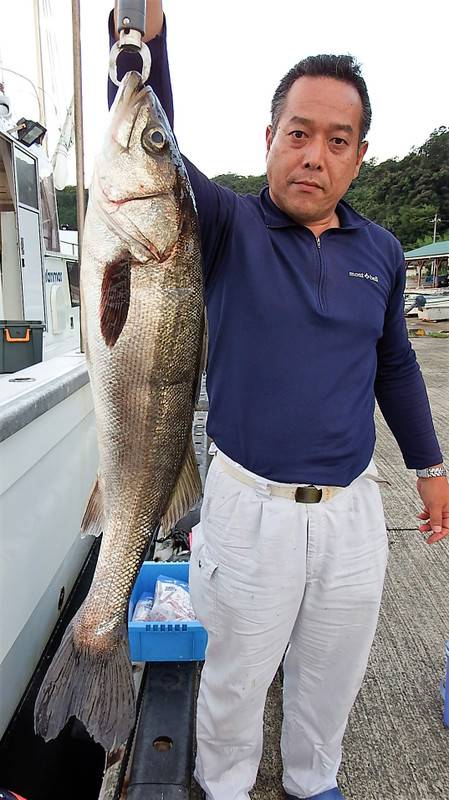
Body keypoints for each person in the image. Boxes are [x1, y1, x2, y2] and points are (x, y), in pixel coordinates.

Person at [109, 5, 449, 799]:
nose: (312, 155)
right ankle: (224, 784)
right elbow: (150, 146)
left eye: (336, 140)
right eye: (297, 133)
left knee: (332, 673)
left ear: (359, 156)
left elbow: (395, 365)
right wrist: (146, 40)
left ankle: (311, 778)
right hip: (247, 507)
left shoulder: (380, 250)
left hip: (352, 510)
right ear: (269, 137)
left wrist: (429, 467)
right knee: (234, 677)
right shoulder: (225, 225)